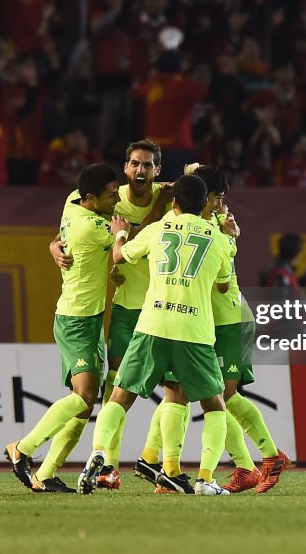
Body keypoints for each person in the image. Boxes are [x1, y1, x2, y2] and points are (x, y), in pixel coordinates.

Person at [77, 174, 233, 496]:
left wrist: (120, 234)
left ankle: (99, 453)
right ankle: (205, 479)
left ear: (174, 203)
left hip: (152, 325)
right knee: (214, 406)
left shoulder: (157, 228)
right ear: (204, 204)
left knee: (120, 396)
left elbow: (119, 256)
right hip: (194, 332)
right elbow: (224, 285)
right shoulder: (218, 239)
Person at [138, 165, 290, 494]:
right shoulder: (210, 225)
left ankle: (267, 457)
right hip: (203, 323)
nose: (219, 203)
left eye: (220, 198)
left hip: (230, 319)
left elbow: (221, 283)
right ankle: (167, 466)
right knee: (182, 394)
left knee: (222, 397)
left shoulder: (217, 227)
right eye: (215, 197)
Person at [48, 138, 172, 489]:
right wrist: (54, 245)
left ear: (157, 170)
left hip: (162, 309)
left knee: (175, 390)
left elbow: (203, 194)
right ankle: (106, 465)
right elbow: (75, 229)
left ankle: (159, 463)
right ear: (126, 167)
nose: (140, 170)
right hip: (125, 309)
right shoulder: (109, 200)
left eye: (147, 165)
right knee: (112, 389)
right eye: (134, 163)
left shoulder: (172, 196)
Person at [5, 163, 124, 493]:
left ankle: (45, 474)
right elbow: (127, 248)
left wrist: (53, 245)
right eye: (111, 195)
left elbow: (59, 236)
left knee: (85, 404)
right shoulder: (94, 230)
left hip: (89, 318)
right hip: (77, 320)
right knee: (84, 396)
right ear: (92, 198)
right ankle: (23, 448)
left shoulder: (72, 200)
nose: (116, 200)